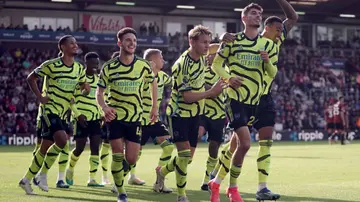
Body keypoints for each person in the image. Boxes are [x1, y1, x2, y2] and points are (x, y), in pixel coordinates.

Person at [210, 0, 298, 200]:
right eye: (278, 30)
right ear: (268, 28)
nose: (281, 33)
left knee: (258, 143)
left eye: (260, 13)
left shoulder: (271, 44)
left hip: (262, 98)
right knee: (238, 144)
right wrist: (221, 40)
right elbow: (216, 57)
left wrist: (267, 62)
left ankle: (260, 187)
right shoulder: (236, 40)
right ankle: (218, 179)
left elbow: (293, 18)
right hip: (240, 97)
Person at [154, 25, 224, 202]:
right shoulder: (182, 65)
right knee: (184, 156)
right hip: (179, 115)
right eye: (204, 42)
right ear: (191, 41)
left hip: (195, 114)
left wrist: (230, 40)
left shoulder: (201, 55)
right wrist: (210, 93)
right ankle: (181, 195)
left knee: (187, 159)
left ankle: (161, 172)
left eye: (209, 42)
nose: (208, 46)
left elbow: (217, 47)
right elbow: (186, 97)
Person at [18, 35, 90, 194]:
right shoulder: (51, 65)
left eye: (76, 43)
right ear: (62, 47)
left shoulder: (79, 68)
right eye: (71, 43)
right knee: (62, 140)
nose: (75, 45)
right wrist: (40, 97)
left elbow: (84, 85)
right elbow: (31, 78)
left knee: (45, 147)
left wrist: (85, 90)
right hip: (49, 110)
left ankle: (27, 179)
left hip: (64, 113)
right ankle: (42, 174)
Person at [96, 27, 158, 202]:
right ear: (119, 43)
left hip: (135, 117)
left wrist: (154, 108)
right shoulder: (109, 67)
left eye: (134, 41)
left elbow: (153, 84)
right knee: (117, 153)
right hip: (115, 117)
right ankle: (121, 192)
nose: (132, 43)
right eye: (128, 40)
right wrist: (104, 107)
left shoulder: (143, 66)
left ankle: (119, 180)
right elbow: (99, 93)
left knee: (131, 158)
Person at [132, 48, 174, 190]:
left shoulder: (163, 76)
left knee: (168, 147)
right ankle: (118, 182)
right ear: (152, 62)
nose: (163, 60)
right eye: (160, 58)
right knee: (134, 154)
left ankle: (159, 182)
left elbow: (176, 83)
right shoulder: (141, 77)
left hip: (154, 121)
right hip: (140, 121)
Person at [65, 52, 105, 187]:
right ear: (86, 63)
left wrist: (101, 114)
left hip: (95, 118)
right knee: (80, 148)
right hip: (80, 117)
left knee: (95, 148)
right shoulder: (78, 78)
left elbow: (100, 99)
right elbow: (70, 99)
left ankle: (92, 179)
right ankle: (70, 169)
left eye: (97, 63)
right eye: (93, 63)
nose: (96, 66)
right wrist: (77, 115)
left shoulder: (99, 80)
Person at [199, 43, 228, 191]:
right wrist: (211, 90)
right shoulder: (200, 70)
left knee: (214, 147)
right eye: (209, 54)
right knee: (197, 134)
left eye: (213, 54)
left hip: (218, 114)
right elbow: (200, 88)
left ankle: (206, 180)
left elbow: (218, 91)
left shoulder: (224, 71)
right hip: (202, 112)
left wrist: (208, 90)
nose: (210, 56)